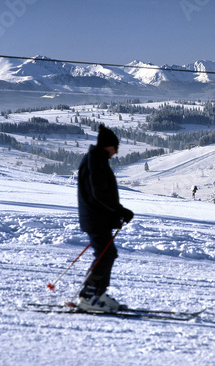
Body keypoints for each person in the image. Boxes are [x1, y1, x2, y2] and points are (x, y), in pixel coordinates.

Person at [77, 124, 134, 312]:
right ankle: (87, 296)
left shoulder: (98, 159)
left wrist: (116, 212)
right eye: (115, 148)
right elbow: (99, 194)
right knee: (104, 255)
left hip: (98, 217)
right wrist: (119, 210)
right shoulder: (95, 160)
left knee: (107, 254)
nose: (116, 152)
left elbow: (101, 193)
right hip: (95, 218)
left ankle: (97, 293)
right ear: (107, 146)